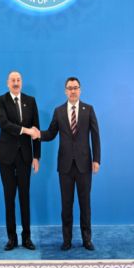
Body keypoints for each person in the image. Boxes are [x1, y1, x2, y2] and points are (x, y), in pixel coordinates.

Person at [31, 77, 101, 251]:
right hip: (65, 166)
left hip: (84, 165)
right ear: (65, 91)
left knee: (85, 204)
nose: (73, 91)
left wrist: (96, 159)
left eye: (75, 87)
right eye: (70, 88)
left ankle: (87, 240)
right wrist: (38, 134)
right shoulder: (59, 111)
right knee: (66, 205)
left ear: (80, 90)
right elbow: (51, 133)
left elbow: (95, 136)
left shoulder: (88, 109)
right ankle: (67, 240)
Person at [0, 71, 40, 251]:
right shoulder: (0, 100)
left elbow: (36, 130)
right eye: (12, 80)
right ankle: (11, 239)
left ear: (22, 82)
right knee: (9, 197)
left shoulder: (31, 101)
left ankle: (27, 238)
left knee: (24, 197)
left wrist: (36, 156)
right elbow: (4, 124)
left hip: (25, 157)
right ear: (7, 83)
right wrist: (26, 131)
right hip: (5, 156)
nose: (16, 82)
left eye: (18, 80)